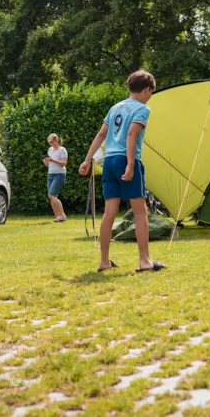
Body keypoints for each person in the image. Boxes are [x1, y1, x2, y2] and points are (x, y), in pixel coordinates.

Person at [79, 70, 165, 273]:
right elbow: (132, 133)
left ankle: (104, 261)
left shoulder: (115, 107)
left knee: (109, 212)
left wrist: (87, 160)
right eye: (151, 92)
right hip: (125, 159)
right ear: (146, 90)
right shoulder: (142, 109)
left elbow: (101, 134)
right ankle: (144, 261)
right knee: (140, 211)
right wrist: (130, 164)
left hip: (108, 161)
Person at [44, 133, 68, 222]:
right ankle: (57, 216)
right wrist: (46, 162)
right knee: (51, 196)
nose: (50, 144)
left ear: (56, 140)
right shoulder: (50, 150)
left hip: (59, 174)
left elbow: (64, 163)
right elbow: (49, 163)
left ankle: (62, 215)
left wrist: (52, 160)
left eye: (51, 142)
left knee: (52, 195)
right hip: (50, 174)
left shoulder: (62, 150)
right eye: (49, 142)